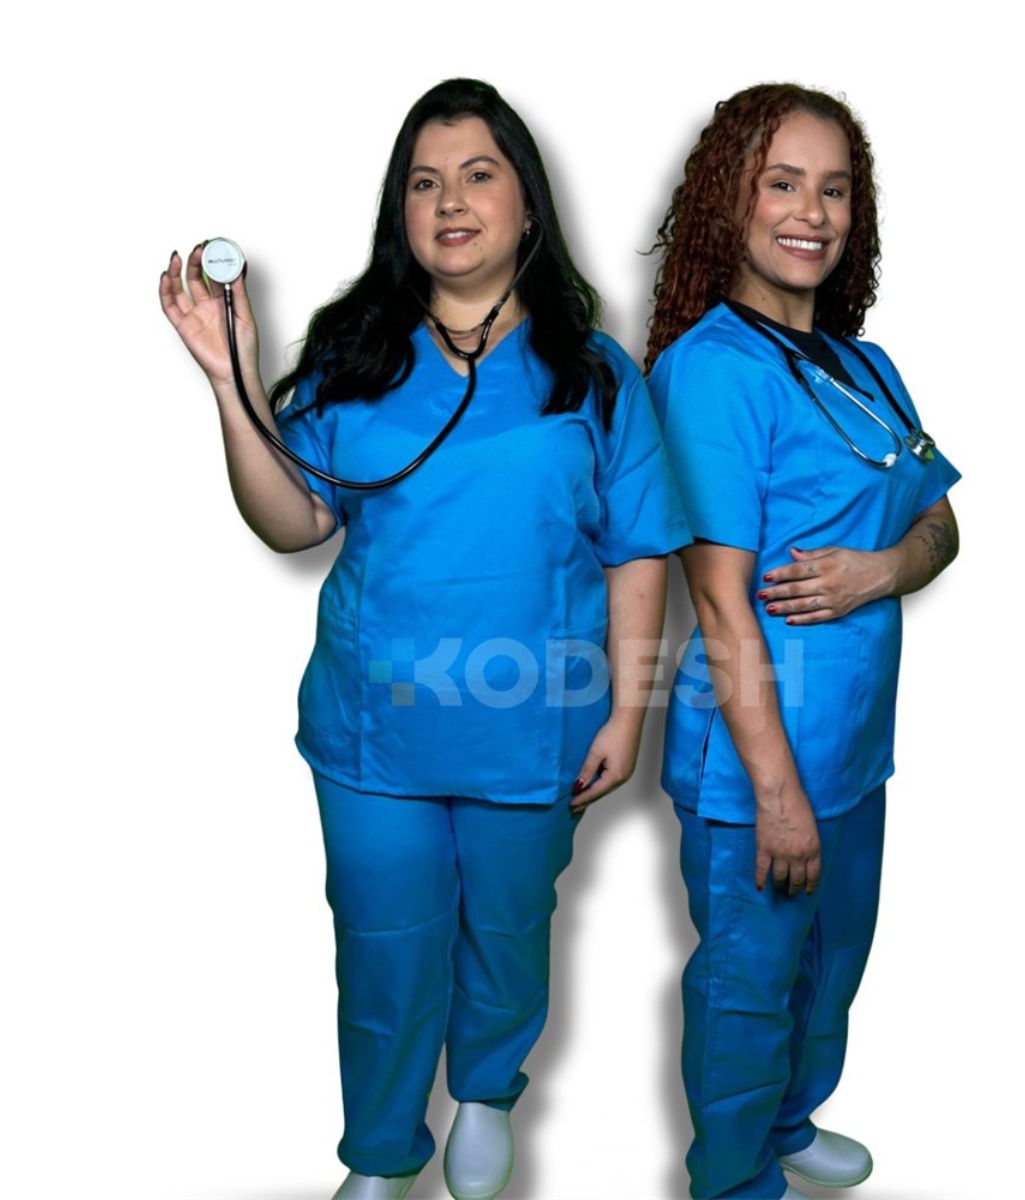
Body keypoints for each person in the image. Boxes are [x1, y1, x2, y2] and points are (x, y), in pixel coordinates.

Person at [159, 78, 689, 1200]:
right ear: (399, 213)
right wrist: (229, 383)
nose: (450, 200)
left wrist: (629, 710)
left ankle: (487, 1092)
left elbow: (638, 550)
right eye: (424, 182)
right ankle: (382, 1150)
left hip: (533, 725)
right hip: (374, 734)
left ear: (527, 204)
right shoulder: (354, 358)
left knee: (509, 928)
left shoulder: (596, 374)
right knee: (383, 948)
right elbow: (294, 522)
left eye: (478, 175)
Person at [646, 83, 961, 1200]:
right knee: (749, 988)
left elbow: (942, 524)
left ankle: (788, 1123)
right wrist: (777, 794)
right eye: (781, 183)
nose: (811, 212)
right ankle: (733, 1179)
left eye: (833, 189)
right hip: (758, 771)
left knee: (831, 970)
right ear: (728, 201)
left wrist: (883, 569)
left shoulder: (865, 368)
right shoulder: (711, 374)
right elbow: (719, 603)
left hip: (854, 753)